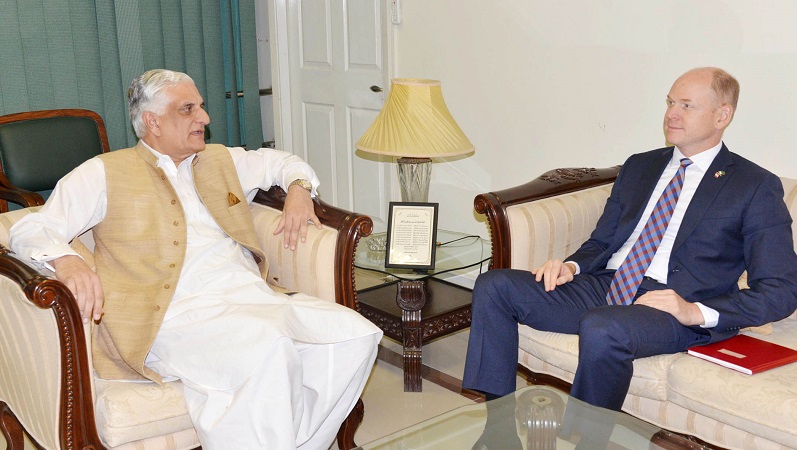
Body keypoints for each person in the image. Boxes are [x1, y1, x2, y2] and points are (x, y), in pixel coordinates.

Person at [9, 69, 382, 449]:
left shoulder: (219, 160)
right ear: (152, 121)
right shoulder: (104, 173)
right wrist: (67, 261)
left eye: (201, 107)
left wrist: (301, 190)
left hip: (250, 298)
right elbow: (27, 229)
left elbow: (282, 163)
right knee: (271, 351)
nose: (204, 118)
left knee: (355, 335)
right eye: (188, 109)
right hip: (172, 316)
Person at [463, 67, 797, 417]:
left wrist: (693, 311)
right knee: (494, 286)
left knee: (603, 325)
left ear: (722, 115)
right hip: (609, 283)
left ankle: (585, 440)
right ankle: (496, 426)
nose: (671, 114)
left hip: (671, 305)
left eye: (686, 105)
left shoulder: (753, 185)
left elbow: (780, 289)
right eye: (670, 102)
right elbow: (603, 240)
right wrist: (571, 266)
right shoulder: (640, 166)